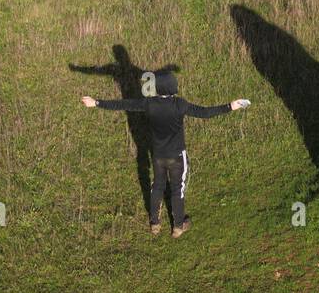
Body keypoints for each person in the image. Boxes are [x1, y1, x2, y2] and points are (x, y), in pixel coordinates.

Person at [82, 71, 248, 237]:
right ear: (172, 88)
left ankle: (154, 223)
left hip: (158, 156)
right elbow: (204, 113)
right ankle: (178, 226)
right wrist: (230, 106)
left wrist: (96, 102)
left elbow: (123, 104)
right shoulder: (179, 104)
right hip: (176, 157)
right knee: (177, 190)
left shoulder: (149, 104)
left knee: (157, 186)